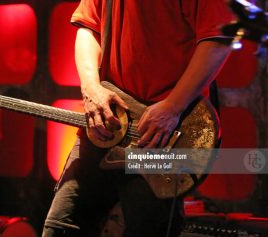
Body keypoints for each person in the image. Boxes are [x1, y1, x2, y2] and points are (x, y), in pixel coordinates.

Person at [42, 1, 234, 236]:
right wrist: (91, 88)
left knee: (147, 228)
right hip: (106, 122)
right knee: (62, 226)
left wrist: (173, 107)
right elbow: (88, 27)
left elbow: (219, 39)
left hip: (161, 137)